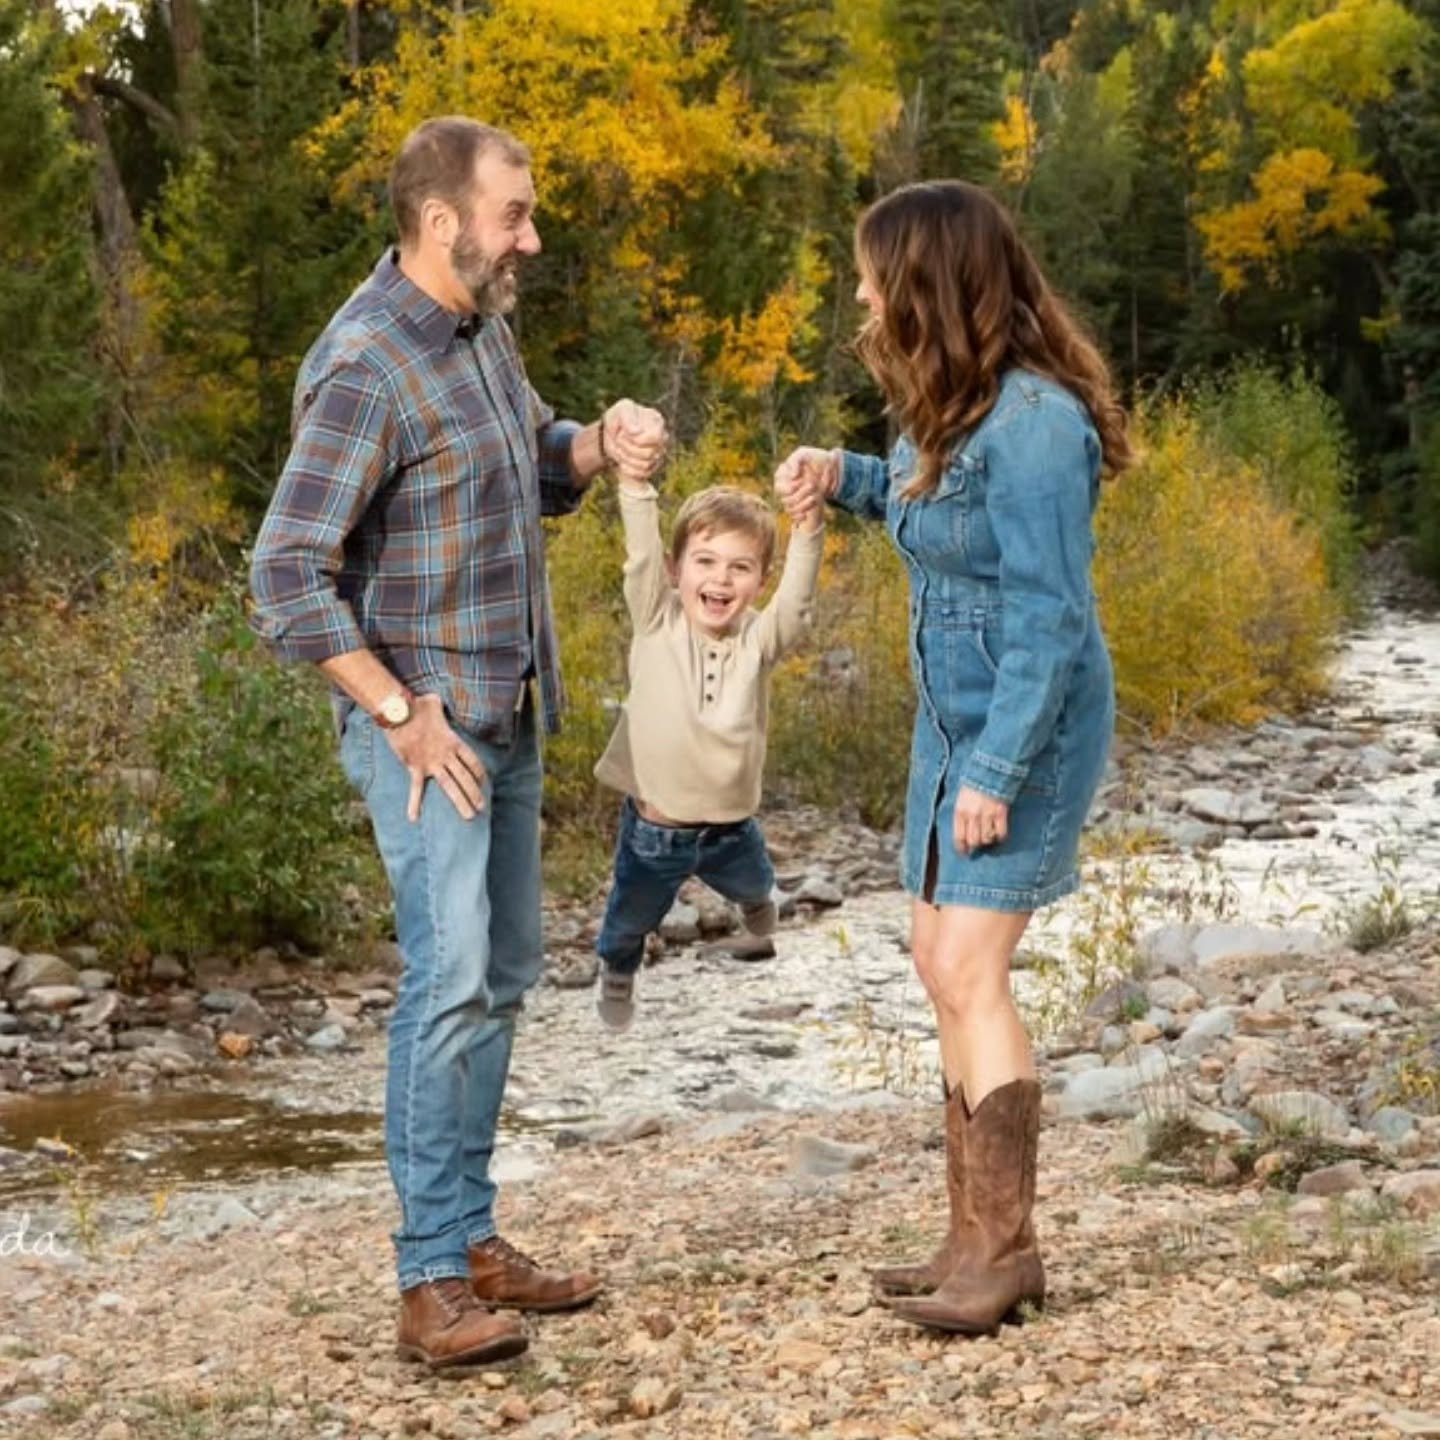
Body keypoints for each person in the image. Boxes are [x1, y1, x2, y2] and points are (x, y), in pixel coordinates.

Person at [249, 116, 666, 1369]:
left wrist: (598, 444)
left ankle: (474, 1240)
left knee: (502, 973)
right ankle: (430, 1277)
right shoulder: (364, 365)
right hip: (424, 732)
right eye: (514, 217)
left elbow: (531, 462)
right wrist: (394, 709)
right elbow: (284, 576)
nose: (529, 237)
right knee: (446, 983)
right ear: (444, 224)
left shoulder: (481, 329)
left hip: (510, 705)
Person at [775, 179, 1130, 1335]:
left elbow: (1049, 620)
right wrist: (846, 474)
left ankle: (1007, 1250)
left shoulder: (1033, 426)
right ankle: (968, 1234)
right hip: (954, 720)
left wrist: (998, 772)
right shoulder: (949, 407)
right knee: (938, 958)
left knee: (971, 971)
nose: (863, 294)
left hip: (1021, 725)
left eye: (875, 274)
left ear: (931, 282)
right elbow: (934, 516)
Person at [591, 479, 824, 1029]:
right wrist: (635, 485)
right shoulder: (656, 619)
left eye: (740, 568)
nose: (720, 579)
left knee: (753, 883)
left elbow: (796, 604)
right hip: (655, 832)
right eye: (705, 562)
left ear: (759, 580)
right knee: (629, 920)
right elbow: (640, 553)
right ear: (676, 571)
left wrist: (809, 529)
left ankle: (755, 905)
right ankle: (618, 972)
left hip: (731, 827)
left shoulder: (757, 640)